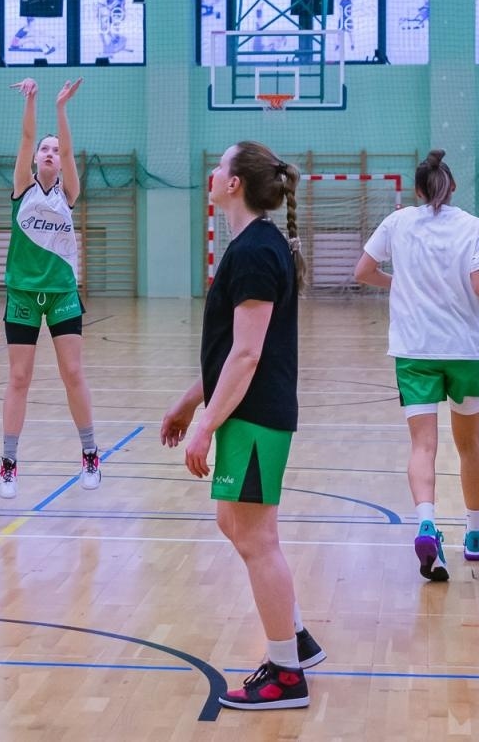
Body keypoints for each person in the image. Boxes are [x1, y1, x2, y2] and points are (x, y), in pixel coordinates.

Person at [161, 142, 324, 710]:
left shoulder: (256, 250)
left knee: (257, 537)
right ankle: (296, 636)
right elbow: (230, 348)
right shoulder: (252, 245)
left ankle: (285, 674)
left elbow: (248, 356)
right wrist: (190, 401)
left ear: (235, 183)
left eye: (220, 165)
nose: (212, 171)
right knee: (234, 522)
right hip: (248, 411)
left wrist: (206, 426)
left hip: (255, 415)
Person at [354, 150, 479, 581]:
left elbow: (363, 270)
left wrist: (399, 283)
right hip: (464, 351)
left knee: (423, 447)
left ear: (417, 190)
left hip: (414, 350)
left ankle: (426, 523)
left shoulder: (397, 223)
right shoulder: (474, 227)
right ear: (451, 188)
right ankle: (473, 532)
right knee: (469, 445)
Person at [0, 78, 100, 497]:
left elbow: (71, 151)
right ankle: (8, 464)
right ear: (35, 159)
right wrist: (34, 99)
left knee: (72, 373)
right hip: (22, 292)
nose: (51, 153)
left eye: (55, 150)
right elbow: (25, 136)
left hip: (61, 291)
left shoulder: (68, 193)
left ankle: (91, 453)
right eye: (45, 149)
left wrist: (61, 109)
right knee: (19, 378)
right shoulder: (22, 188)